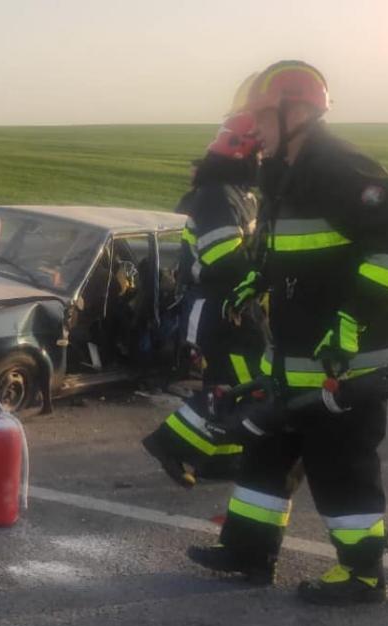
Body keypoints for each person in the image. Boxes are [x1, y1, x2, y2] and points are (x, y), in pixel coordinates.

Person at [187, 60, 388, 605]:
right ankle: (248, 551)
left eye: (263, 119)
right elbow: (292, 251)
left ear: (297, 113)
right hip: (297, 357)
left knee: (340, 466)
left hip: (350, 361)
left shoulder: (339, 167)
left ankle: (363, 575)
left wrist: (350, 321)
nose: (255, 131)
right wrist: (256, 278)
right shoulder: (283, 173)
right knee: (268, 451)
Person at [142, 110, 264, 487]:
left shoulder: (238, 195)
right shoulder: (216, 197)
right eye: (261, 155)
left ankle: (222, 460)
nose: (265, 162)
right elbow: (224, 259)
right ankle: (171, 444)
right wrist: (268, 271)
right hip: (221, 307)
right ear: (244, 156)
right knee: (246, 385)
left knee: (228, 382)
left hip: (230, 306)